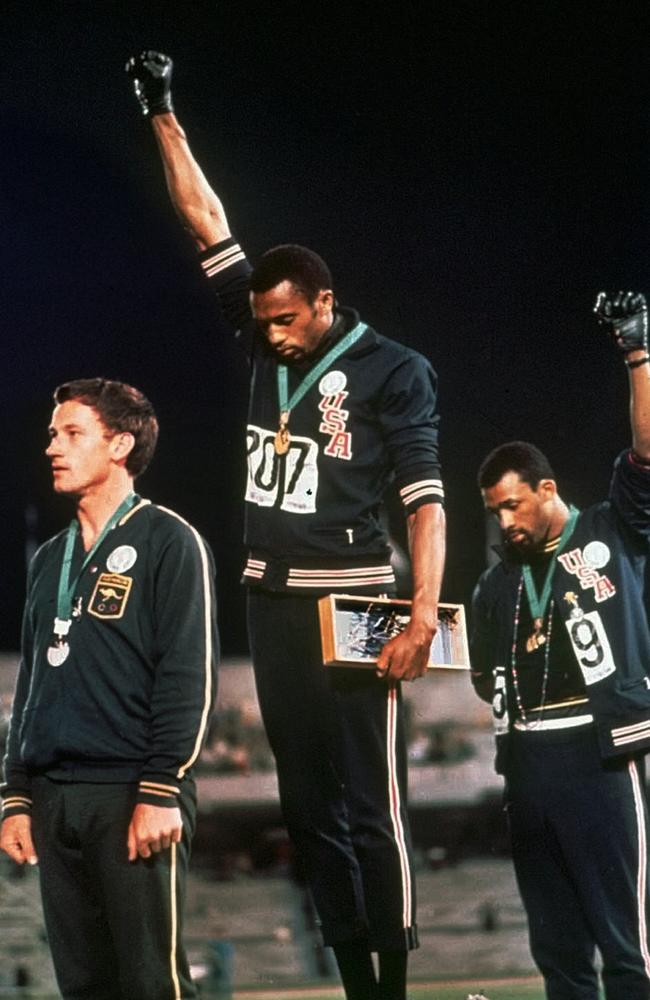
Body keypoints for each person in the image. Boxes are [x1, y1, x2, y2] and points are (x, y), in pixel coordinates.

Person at [125, 51, 446, 1000]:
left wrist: (422, 614)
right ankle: (352, 979)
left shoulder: (397, 370)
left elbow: (425, 500)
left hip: (361, 598)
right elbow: (207, 224)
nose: (271, 335)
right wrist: (162, 112)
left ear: (327, 303)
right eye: (262, 322)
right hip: (271, 596)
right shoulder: (260, 327)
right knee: (306, 807)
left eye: (288, 321)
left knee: (370, 802)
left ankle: (391, 983)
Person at [0, 378, 219, 1000]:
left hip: (131, 794)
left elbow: (187, 677)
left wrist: (161, 787)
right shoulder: (49, 560)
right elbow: (33, 681)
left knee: (152, 983)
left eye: (72, 434)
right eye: (51, 434)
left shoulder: (170, 542)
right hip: (52, 798)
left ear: (120, 445)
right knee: (84, 986)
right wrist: (16, 793)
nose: (52, 447)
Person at [470, 291, 650, 1000]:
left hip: (601, 752)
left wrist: (638, 351)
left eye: (514, 504)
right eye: (494, 511)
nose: (506, 521)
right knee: (558, 949)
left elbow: (645, 455)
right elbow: (486, 679)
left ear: (548, 488)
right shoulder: (493, 585)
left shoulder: (612, 529)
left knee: (627, 943)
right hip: (526, 764)